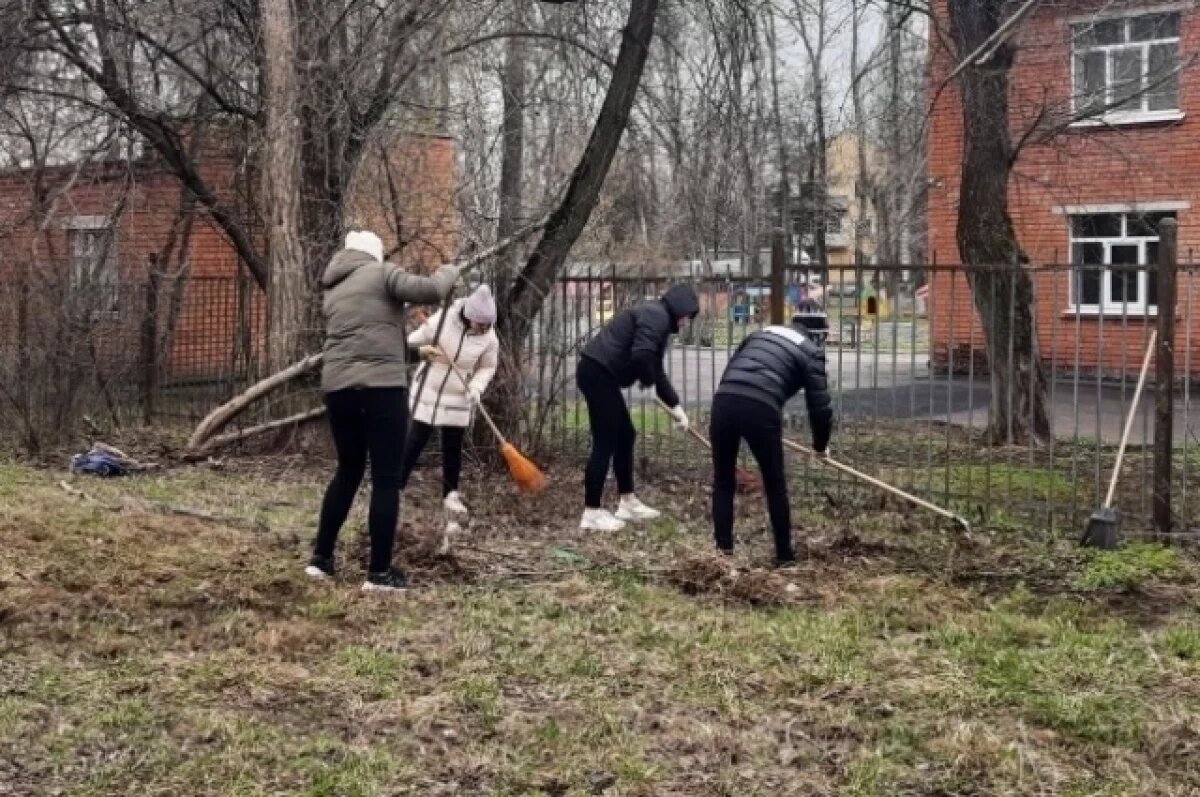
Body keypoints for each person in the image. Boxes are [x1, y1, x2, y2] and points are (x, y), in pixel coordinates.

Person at [306, 230, 459, 592]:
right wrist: (453, 269)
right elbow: (432, 290)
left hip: (339, 388)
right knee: (387, 479)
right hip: (381, 389)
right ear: (374, 254)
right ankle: (378, 574)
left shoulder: (335, 288)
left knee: (348, 470)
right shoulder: (380, 272)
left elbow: (366, 339)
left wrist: (415, 353)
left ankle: (321, 559)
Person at [710, 318, 833, 566]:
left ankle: (722, 555)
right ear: (818, 336)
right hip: (761, 406)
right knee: (775, 485)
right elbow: (819, 406)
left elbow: (731, 370)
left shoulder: (760, 333)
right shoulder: (811, 351)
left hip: (724, 400)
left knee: (723, 482)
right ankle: (784, 558)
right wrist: (820, 446)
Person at [576, 284, 699, 531]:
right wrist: (648, 381)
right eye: (688, 316)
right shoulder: (656, 317)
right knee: (605, 442)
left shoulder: (658, 319)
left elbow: (654, 366)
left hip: (600, 372)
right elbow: (642, 357)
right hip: (598, 373)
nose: (687, 323)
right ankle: (591, 512)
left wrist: (675, 406)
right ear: (680, 310)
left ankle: (627, 502)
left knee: (625, 435)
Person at [400, 284, 500, 514]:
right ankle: (396, 486)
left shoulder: (489, 337)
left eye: (487, 324)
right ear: (469, 315)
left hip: (459, 394)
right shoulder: (444, 318)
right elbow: (416, 341)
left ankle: (451, 495)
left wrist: (476, 386)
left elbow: (488, 367)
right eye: (480, 323)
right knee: (415, 440)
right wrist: (424, 344)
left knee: (453, 446)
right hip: (429, 389)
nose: (483, 328)